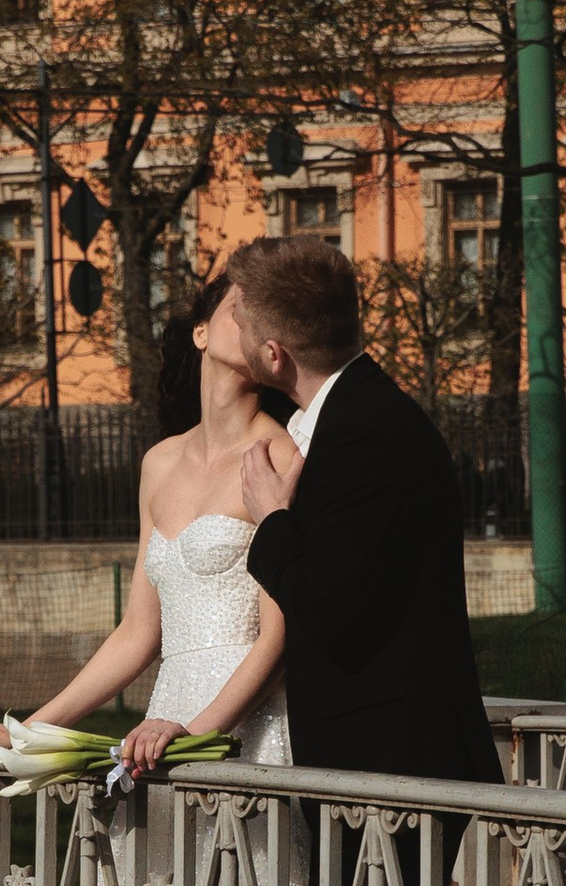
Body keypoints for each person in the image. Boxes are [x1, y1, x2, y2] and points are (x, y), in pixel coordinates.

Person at [0, 276, 292, 778]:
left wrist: (192, 735)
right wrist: (25, 733)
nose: (250, 321)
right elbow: (138, 631)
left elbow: (278, 641)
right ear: (200, 332)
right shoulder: (160, 463)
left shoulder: (280, 456)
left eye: (265, 316)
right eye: (240, 307)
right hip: (161, 725)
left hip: (243, 731)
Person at [214, 232, 501, 785]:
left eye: (243, 324)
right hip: (378, 760)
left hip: (393, 767)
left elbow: (329, 613)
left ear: (273, 353)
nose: (237, 334)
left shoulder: (364, 434)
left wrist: (272, 519)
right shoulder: (350, 417)